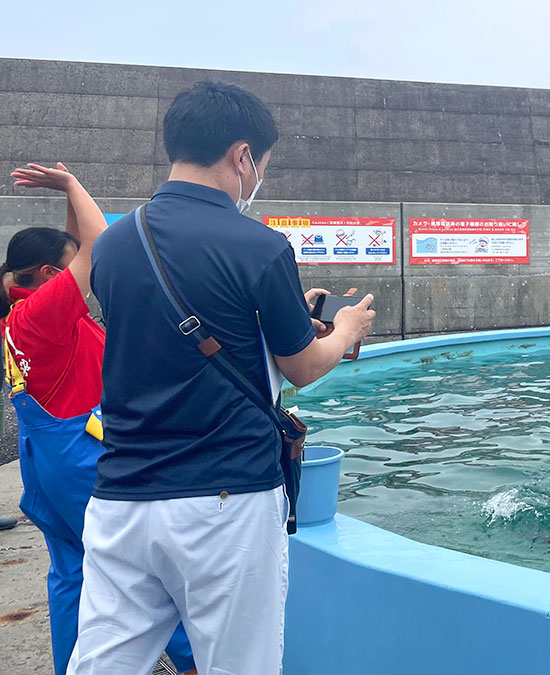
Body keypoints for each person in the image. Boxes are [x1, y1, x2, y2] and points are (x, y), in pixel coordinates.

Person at [68, 82, 374, 675]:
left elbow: (161, 336)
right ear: (241, 156)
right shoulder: (259, 246)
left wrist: (280, 318)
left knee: (103, 663)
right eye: (260, 164)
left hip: (122, 495)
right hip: (225, 499)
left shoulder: (114, 244)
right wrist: (346, 328)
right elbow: (304, 367)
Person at [1, 164, 196, 674]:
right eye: (64, 271)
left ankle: (71, 665)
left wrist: (68, 198)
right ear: (48, 277)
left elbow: (75, 247)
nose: (82, 281)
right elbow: (98, 246)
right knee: (140, 568)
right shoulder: (43, 314)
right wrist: (73, 186)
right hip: (79, 462)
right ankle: (191, 660)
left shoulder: (22, 316)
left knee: (71, 571)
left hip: (43, 461)